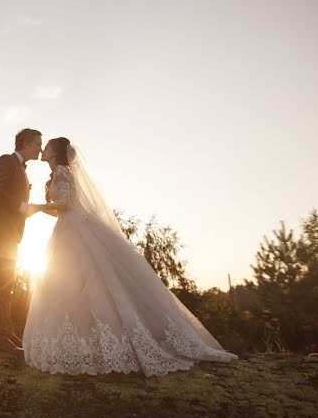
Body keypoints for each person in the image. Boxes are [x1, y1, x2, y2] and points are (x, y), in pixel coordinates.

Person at [22, 137, 237, 376]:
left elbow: (62, 206)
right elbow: (65, 209)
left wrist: (36, 208)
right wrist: (43, 210)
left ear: (56, 152)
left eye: (48, 146)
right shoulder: (59, 173)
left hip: (74, 234)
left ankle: (101, 342)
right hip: (68, 230)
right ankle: (85, 342)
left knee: (84, 286)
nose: (43, 149)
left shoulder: (62, 172)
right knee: (78, 288)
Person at [0, 128, 43, 355]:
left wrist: (28, 209)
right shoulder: (6, 160)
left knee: (7, 281)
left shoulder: (22, 169)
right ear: (24, 143)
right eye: (37, 144)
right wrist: (22, 207)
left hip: (10, 233)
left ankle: (6, 330)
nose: (40, 149)